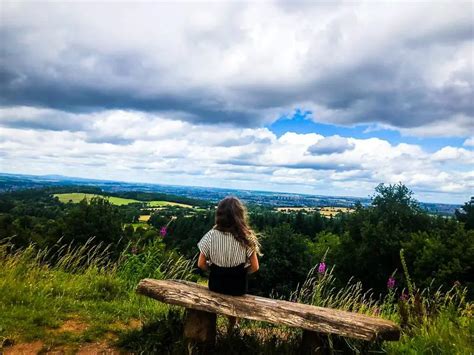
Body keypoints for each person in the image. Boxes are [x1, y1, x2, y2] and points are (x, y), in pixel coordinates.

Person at [197, 196, 261, 333]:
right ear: (239, 215)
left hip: (216, 285)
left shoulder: (210, 235)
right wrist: (241, 272)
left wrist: (214, 269)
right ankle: (234, 327)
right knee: (235, 298)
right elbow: (255, 267)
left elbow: (201, 263)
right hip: (238, 287)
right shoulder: (246, 237)